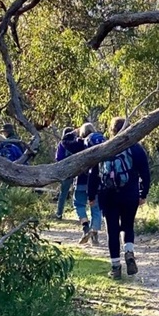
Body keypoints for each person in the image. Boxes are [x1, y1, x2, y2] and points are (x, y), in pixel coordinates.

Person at [87, 117, 150, 279]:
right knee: (128, 226)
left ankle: (115, 268)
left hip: (107, 195)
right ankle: (129, 252)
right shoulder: (135, 148)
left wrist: (91, 195)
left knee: (112, 230)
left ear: (111, 131)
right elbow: (145, 172)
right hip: (130, 193)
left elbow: (93, 173)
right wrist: (143, 193)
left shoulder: (104, 147)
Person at [74, 122, 102, 246]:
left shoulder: (78, 144)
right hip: (96, 181)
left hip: (81, 180)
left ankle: (85, 227)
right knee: (96, 208)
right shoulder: (101, 145)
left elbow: (64, 141)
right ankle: (94, 233)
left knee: (79, 204)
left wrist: (74, 132)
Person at [54, 127, 85, 219]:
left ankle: (59, 213)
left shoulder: (62, 144)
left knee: (63, 193)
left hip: (66, 171)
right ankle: (78, 212)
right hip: (78, 169)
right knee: (78, 191)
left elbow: (58, 158)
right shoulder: (77, 143)